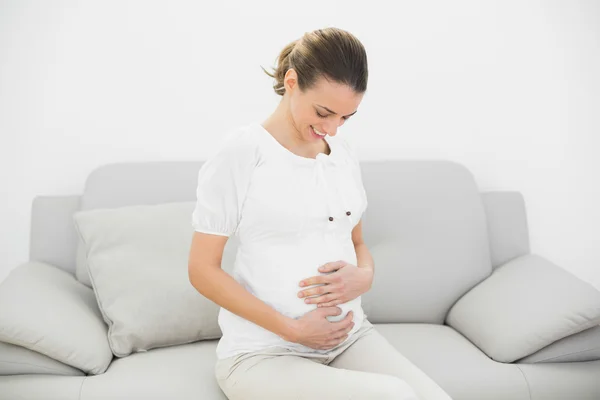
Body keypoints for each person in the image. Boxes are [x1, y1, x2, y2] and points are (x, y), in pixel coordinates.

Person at [188, 27, 452, 400]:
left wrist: (366, 276)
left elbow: (357, 241)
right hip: (264, 353)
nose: (331, 128)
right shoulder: (244, 150)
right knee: (396, 396)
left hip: (347, 338)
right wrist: (293, 330)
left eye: (346, 117)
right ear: (292, 82)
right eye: (323, 112)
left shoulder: (342, 153)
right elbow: (202, 270)